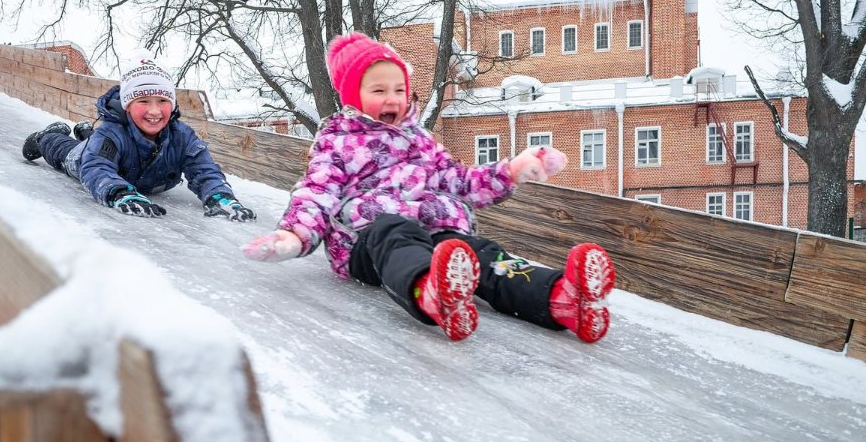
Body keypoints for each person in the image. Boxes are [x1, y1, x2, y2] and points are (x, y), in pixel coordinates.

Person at [242, 32, 614, 343]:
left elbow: (457, 181)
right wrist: (293, 234)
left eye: (399, 88)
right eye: (378, 90)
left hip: (435, 236)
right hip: (365, 242)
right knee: (393, 228)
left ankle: (559, 298)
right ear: (352, 96)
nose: (392, 98)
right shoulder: (336, 141)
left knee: (478, 251)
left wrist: (512, 170)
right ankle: (428, 290)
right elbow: (316, 192)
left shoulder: (421, 140)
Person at [22, 58, 255, 221]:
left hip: (123, 160)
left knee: (100, 146)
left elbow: (204, 170)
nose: (154, 111)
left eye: (162, 101)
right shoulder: (112, 133)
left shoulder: (182, 136)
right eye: (143, 102)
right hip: (87, 159)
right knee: (68, 152)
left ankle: (86, 132)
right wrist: (119, 192)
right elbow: (97, 168)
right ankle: (49, 136)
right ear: (127, 106)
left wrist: (220, 197)